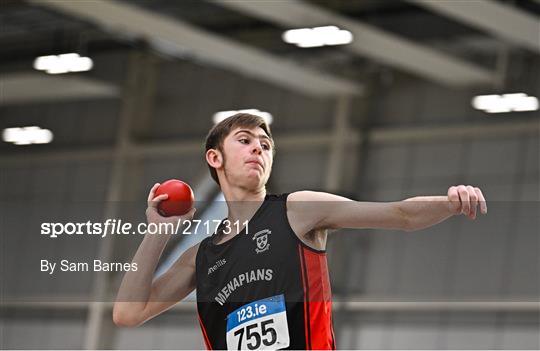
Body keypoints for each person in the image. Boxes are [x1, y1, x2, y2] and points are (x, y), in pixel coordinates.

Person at [113, 113, 487, 350]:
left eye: (265, 145)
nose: (257, 150)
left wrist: (452, 201)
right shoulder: (201, 257)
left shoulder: (297, 210)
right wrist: (158, 232)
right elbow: (127, 315)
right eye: (244, 141)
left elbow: (401, 214)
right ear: (215, 158)